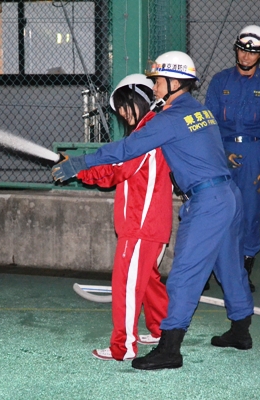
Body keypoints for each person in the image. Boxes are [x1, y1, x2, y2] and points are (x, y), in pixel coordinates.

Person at [52, 51, 254, 370]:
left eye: (158, 81)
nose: (155, 87)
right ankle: (241, 331)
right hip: (228, 194)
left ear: (175, 82)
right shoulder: (200, 112)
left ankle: (170, 350)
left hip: (208, 200)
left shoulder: (169, 119)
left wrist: (81, 162)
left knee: (184, 276)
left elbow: (127, 148)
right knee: (229, 266)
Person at [70, 74, 172, 361]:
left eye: (126, 106)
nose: (124, 114)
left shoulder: (146, 133)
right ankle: (163, 329)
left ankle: (124, 346)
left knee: (126, 283)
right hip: (152, 225)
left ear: (137, 98)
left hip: (141, 226)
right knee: (147, 280)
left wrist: (78, 170)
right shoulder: (152, 128)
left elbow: (116, 169)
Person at [205, 25, 260, 292]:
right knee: (217, 212)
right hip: (223, 151)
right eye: (242, 50)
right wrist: (220, 154)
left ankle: (241, 273)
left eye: (252, 53)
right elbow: (210, 122)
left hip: (253, 155)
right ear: (236, 49)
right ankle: (207, 269)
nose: (246, 57)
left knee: (250, 214)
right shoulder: (219, 82)